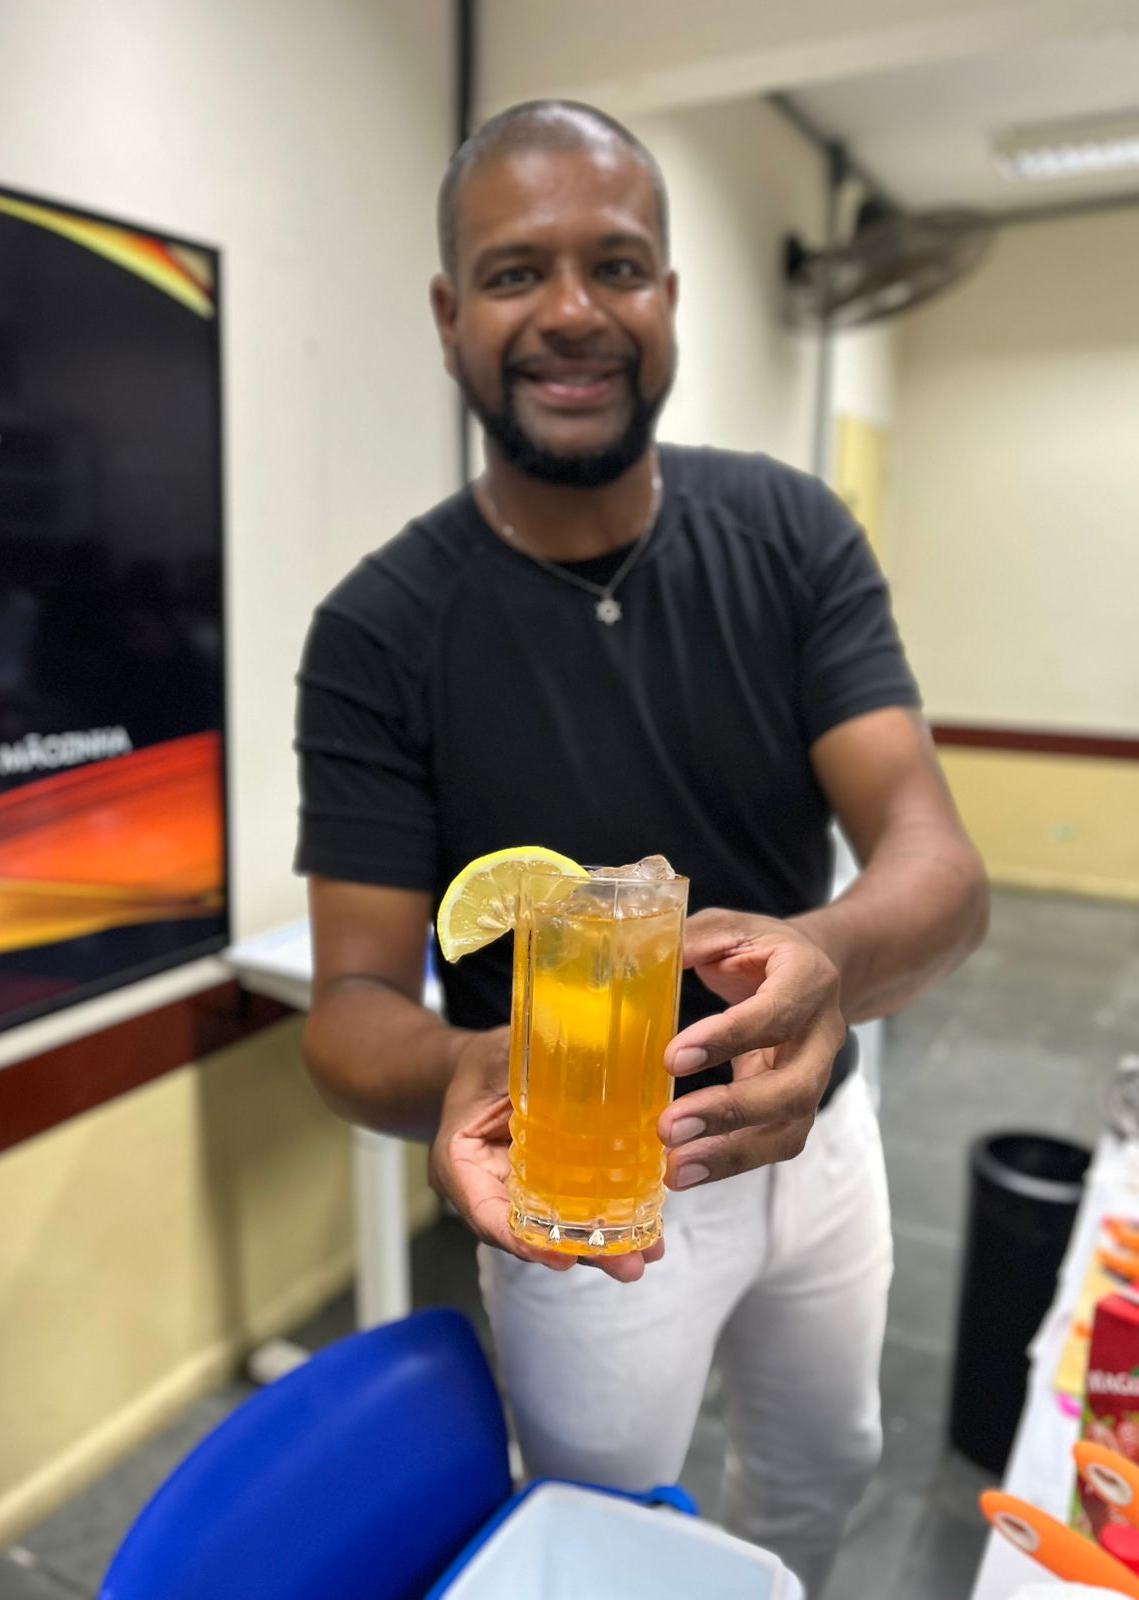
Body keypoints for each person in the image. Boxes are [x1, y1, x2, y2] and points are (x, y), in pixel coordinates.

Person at [295, 99, 988, 1595]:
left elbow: (937, 863)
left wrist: (825, 957)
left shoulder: (792, 535)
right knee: (602, 1540)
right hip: (583, 1198)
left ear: (669, 297)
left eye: (614, 265)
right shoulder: (378, 633)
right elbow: (347, 1015)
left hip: (818, 1131)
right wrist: (466, 1067)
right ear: (449, 316)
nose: (570, 312)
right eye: (514, 272)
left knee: (823, 1470)